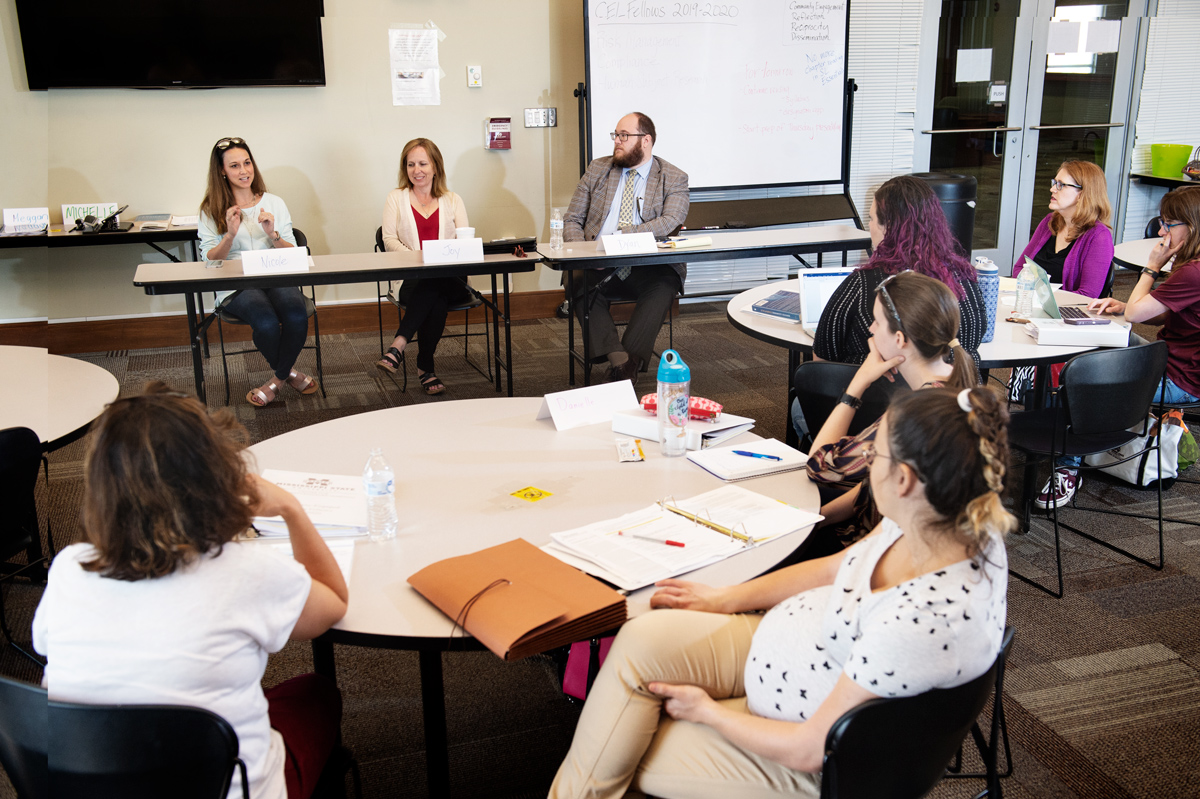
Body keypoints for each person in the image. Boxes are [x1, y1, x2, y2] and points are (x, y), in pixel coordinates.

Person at [548, 385, 1014, 799]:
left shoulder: (923, 616)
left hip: (803, 757)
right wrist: (722, 599)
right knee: (640, 641)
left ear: (905, 480)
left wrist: (707, 713)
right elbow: (837, 567)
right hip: (791, 659)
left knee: (625, 749)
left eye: (877, 456)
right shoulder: (939, 518)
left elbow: (810, 748)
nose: (869, 464)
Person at [32, 383, 349, 799]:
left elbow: (49, 647)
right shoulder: (246, 571)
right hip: (219, 786)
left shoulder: (70, 568)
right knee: (315, 694)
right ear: (215, 474)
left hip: (91, 782)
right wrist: (291, 509)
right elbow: (333, 602)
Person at [1036, 185, 1200, 509]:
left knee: (1081, 381)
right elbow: (1161, 315)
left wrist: (1151, 268)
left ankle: (1067, 466)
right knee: (1091, 346)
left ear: (1191, 228)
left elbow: (1139, 316)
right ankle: (1058, 437)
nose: (1162, 232)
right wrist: (1124, 305)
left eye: (1169, 224)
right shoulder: (1192, 265)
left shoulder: (1193, 273)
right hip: (1169, 360)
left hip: (1180, 381)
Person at [806, 271, 979, 550]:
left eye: (876, 321)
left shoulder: (915, 413)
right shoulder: (959, 385)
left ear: (900, 339)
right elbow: (875, 484)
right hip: (902, 541)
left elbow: (820, 466)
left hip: (876, 550)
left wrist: (858, 382)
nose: (871, 330)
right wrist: (817, 519)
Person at [563, 111, 690, 384]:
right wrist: (583, 253)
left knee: (666, 282)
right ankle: (621, 359)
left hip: (647, 264)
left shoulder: (673, 177)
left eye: (624, 136)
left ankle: (624, 365)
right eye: (616, 135)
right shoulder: (598, 169)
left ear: (646, 140)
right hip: (598, 260)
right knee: (574, 277)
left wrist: (621, 238)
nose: (617, 142)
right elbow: (573, 218)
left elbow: (671, 220)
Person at [814, 175, 986, 366]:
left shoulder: (864, 284)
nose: (869, 226)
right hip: (953, 394)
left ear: (889, 227)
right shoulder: (964, 280)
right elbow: (973, 343)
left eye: (871, 219)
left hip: (869, 393)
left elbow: (822, 359)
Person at [198, 136, 319, 407]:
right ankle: (290, 374)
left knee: (296, 313)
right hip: (237, 282)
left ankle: (275, 381)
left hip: (275, 274)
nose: (244, 171)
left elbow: (291, 250)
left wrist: (272, 234)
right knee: (265, 322)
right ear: (222, 171)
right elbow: (210, 260)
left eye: (247, 163)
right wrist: (228, 235)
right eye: (235, 166)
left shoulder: (274, 202)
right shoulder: (211, 208)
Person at [376, 138, 472, 395]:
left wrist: (436, 261)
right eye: (410, 164)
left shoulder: (453, 199)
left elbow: (465, 242)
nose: (416, 170)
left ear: (435, 167)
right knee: (434, 296)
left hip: (453, 279)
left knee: (436, 281)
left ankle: (399, 343)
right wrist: (420, 260)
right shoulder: (396, 198)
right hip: (412, 279)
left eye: (422, 163)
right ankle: (425, 368)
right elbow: (389, 240)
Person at [1013, 160, 1114, 298]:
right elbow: (1019, 269)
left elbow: (1087, 296)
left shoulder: (1099, 236)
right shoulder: (1050, 222)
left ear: (1082, 194)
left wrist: (1041, 297)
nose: (1053, 189)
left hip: (1065, 314)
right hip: (1034, 305)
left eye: (1061, 185)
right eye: (1054, 183)